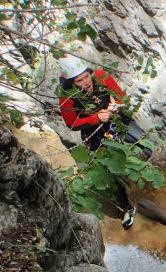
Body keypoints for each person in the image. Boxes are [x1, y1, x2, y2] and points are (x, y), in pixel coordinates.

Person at [57, 55, 143, 228]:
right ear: (72, 84)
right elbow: (72, 124)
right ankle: (126, 207)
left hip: (118, 120)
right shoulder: (67, 98)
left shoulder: (101, 76)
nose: (86, 82)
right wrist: (95, 118)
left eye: (87, 76)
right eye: (80, 81)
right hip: (94, 133)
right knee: (110, 170)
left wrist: (116, 105)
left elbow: (122, 98)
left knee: (142, 140)